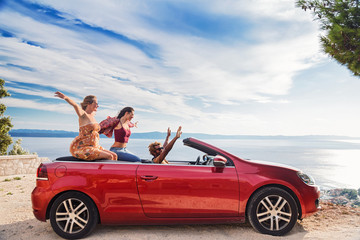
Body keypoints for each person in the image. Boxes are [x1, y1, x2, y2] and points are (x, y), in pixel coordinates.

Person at [54, 91, 117, 161]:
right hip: (83, 148)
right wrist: (65, 98)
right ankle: (105, 172)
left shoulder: (92, 115)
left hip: (94, 146)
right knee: (109, 156)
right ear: (88, 103)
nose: (98, 106)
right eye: (96, 103)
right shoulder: (83, 115)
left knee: (114, 155)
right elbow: (75, 105)